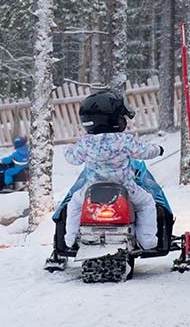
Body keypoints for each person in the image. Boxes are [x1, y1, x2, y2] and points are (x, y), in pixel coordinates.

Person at [62, 90, 161, 251]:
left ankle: (71, 237)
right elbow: (145, 151)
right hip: (125, 188)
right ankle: (147, 239)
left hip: (92, 189)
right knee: (146, 203)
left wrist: (67, 149)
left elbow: (74, 159)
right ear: (115, 119)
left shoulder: (85, 142)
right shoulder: (125, 140)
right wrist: (158, 149)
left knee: (74, 204)